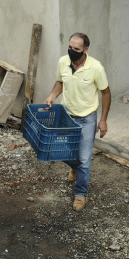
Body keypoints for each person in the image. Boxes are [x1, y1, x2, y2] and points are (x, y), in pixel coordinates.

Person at [44, 33, 111, 211]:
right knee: (64, 153)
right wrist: (52, 95)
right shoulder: (63, 62)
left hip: (87, 119)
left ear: (86, 49)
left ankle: (80, 193)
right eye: (70, 47)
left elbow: (106, 93)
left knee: (84, 158)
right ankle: (75, 168)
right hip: (67, 117)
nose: (72, 51)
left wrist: (103, 120)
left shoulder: (96, 68)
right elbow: (60, 82)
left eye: (77, 49)